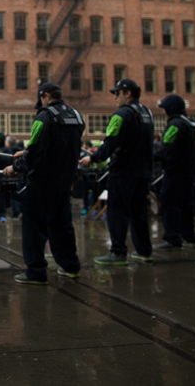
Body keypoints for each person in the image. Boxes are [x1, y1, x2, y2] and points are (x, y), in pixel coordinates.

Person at [3, 82, 83, 283]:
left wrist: (16, 166)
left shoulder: (44, 116)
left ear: (45, 96)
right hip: (64, 182)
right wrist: (28, 152)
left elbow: (37, 152)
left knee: (33, 228)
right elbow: (60, 148)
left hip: (41, 183)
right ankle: (70, 266)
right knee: (62, 225)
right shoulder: (76, 116)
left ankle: (36, 272)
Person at [79, 79, 153, 265]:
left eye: (117, 93)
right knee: (139, 212)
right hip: (143, 172)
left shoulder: (122, 114)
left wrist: (93, 158)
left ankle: (118, 252)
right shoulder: (147, 113)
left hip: (123, 172)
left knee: (117, 212)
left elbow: (110, 142)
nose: (114, 98)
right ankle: (144, 251)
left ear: (127, 93)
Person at [152, 95, 195, 249]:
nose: (164, 111)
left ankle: (172, 237)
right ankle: (189, 236)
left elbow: (167, 147)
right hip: (189, 171)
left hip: (175, 171)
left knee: (169, 204)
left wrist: (149, 158)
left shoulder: (175, 124)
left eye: (165, 108)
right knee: (186, 204)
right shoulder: (191, 123)